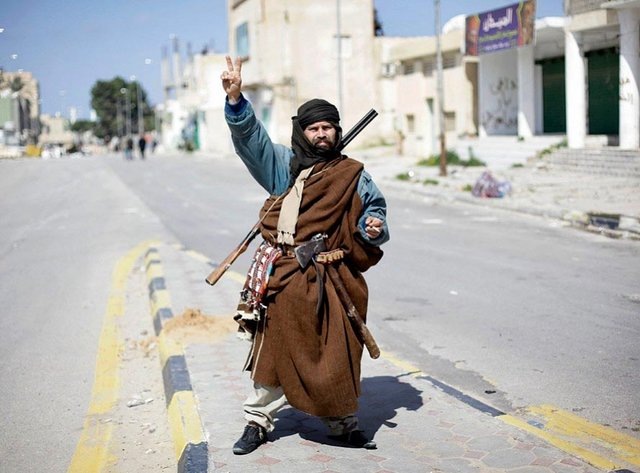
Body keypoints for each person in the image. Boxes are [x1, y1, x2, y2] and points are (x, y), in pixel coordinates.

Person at [221, 56, 390, 455]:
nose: (321, 134)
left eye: (328, 127)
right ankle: (257, 421)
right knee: (274, 351)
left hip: (335, 279)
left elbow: (374, 210)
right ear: (303, 131)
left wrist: (373, 227)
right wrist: (236, 101)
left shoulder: (353, 173)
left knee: (337, 351)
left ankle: (342, 423)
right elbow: (252, 141)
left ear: (337, 131)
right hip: (289, 276)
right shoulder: (284, 166)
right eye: (314, 128)